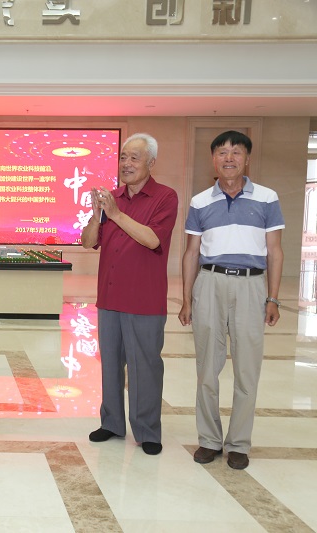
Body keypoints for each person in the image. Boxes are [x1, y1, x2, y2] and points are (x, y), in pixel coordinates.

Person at [179, 130, 284, 470]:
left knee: (247, 369)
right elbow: (191, 253)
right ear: (213, 159)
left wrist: (273, 298)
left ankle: (239, 443)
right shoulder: (200, 202)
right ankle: (209, 439)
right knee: (207, 368)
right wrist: (186, 299)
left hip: (252, 286)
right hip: (210, 282)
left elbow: (275, 251)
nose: (229, 158)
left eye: (236, 152)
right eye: (222, 152)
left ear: (247, 159)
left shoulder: (267, 198)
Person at [81, 133, 178, 456]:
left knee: (145, 367)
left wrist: (117, 215)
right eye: (123, 157)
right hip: (109, 298)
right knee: (110, 365)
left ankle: (147, 430)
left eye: (134, 158)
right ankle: (111, 423)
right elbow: (88, 241)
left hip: (144, 301)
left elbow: (152, 239)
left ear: (151, 162)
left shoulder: (165, 197)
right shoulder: (112, 198)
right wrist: (97, 216)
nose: (126, 163)